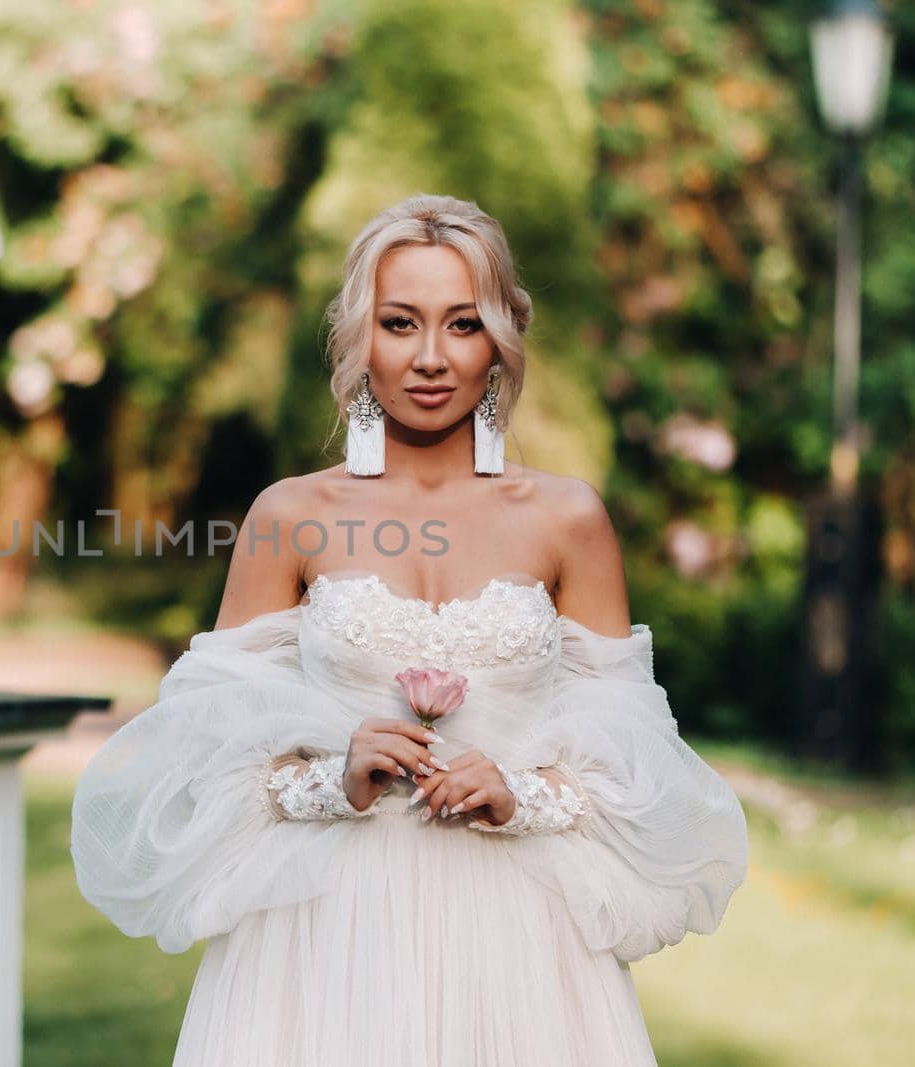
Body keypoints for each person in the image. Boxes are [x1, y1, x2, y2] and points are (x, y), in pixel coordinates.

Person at [69, 194, 749, 1066]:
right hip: (322, 936)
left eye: (462, 324)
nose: (430, 357)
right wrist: (331, 778)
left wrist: (519, 791)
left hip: (518, 942)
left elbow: (632, 757)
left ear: (500, 342)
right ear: (359, 341)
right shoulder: (290, 515)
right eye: (400, 323)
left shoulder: (567, 518)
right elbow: (206, 754)